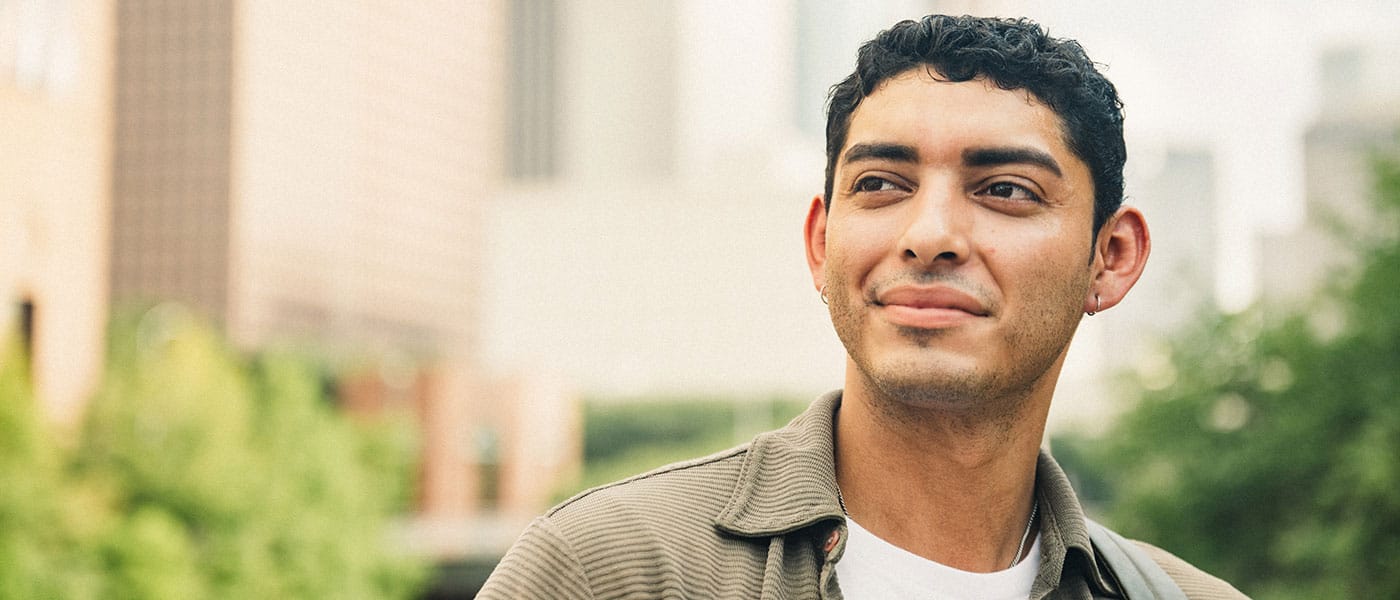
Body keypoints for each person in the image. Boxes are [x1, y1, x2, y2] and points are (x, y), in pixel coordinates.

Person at [479, 14, 1248, 599]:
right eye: (880, 184)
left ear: (1111, 258)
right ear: (821, 243)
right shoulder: (608, 571)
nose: (929, 236)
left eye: (1005, 190)